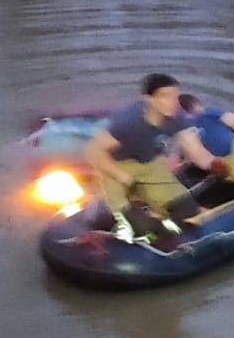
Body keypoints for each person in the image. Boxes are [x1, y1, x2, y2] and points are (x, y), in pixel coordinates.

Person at [83, 74, 225, 232]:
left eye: (175, 97)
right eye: (166, 97)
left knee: (188, 211)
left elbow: (196, 151)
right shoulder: (127, 123)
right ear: (149, 99)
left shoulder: (177, 117)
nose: (173, 102)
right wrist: (121, 176)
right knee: (139, 227)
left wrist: (213, 164)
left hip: (151, 163)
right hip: (117, 165)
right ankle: (117, 213)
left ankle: (158, 217)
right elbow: (93, 151)